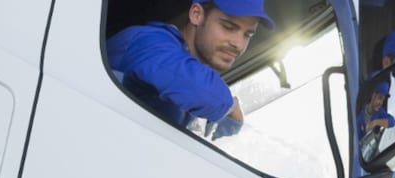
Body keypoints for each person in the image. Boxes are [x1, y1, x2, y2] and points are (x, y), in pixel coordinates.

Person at [107, 0, 275, 138]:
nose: (238, 44)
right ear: (197, 15)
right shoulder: (150, 42)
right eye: (229, 27)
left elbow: (217, 122)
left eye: (247, 35)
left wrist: (233, 121)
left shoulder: (189, 91)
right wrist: (231, 107)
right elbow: (203, 93)